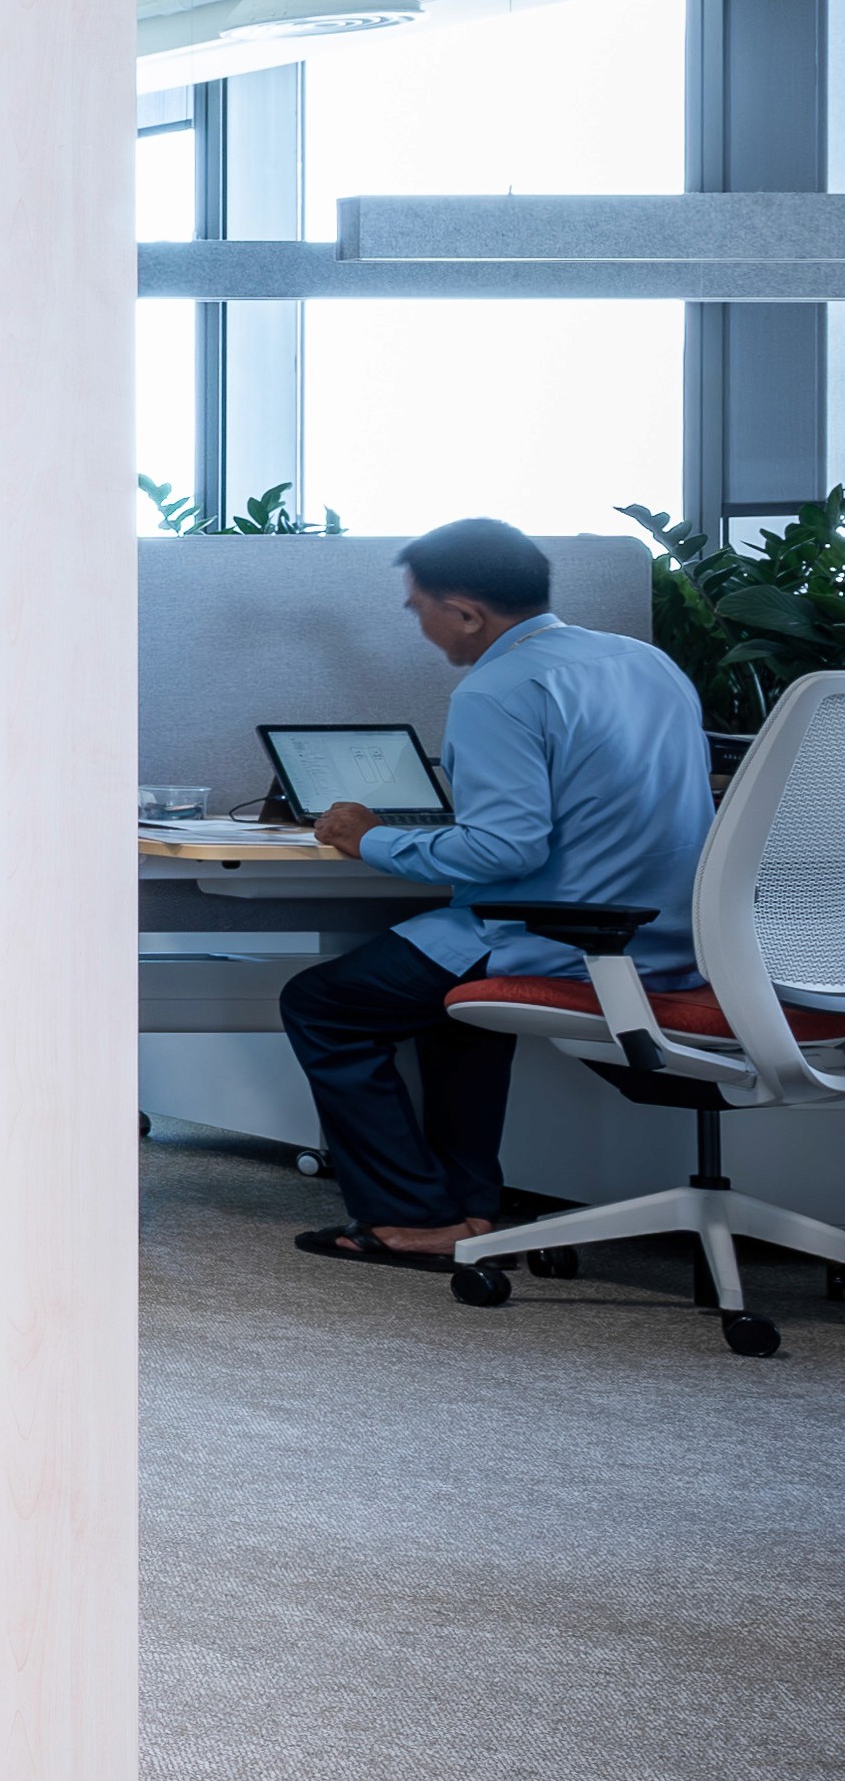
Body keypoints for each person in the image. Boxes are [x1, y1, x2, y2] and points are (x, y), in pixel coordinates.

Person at [274, 517, 712, 1274]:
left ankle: (411, 1217)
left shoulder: (497, 689)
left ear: (469, 612)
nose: (421, 626)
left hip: (552, 935)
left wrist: (367, 836)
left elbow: (508, 849)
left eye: (420, 609)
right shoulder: (648, 663)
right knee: (451, 1010)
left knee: (322, 1003)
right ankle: (468, 1207)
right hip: (676, 940)